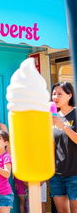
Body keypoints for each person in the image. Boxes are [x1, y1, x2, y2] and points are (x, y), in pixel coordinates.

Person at [49, 81, 77, 213]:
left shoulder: (75, 114)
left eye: (60, 94)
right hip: (57, 174)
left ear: (70, 95)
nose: (55, 97)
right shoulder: (53, 117)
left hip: (75, 173)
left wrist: (64, 126)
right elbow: (53, 146)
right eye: (54, 94)